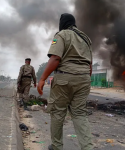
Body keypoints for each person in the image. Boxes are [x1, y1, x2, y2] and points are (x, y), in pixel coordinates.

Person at [37, 13, 93, 150]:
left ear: (62, 23)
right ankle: (88, 147)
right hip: (84, 78)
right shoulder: (86, 39)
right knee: (80, 114)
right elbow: (90, 64)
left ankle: (56, 147)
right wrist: (84, 79)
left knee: (57, 112)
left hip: (65, 78)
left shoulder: (62, 35)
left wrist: (43, 78)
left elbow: (55, 58)